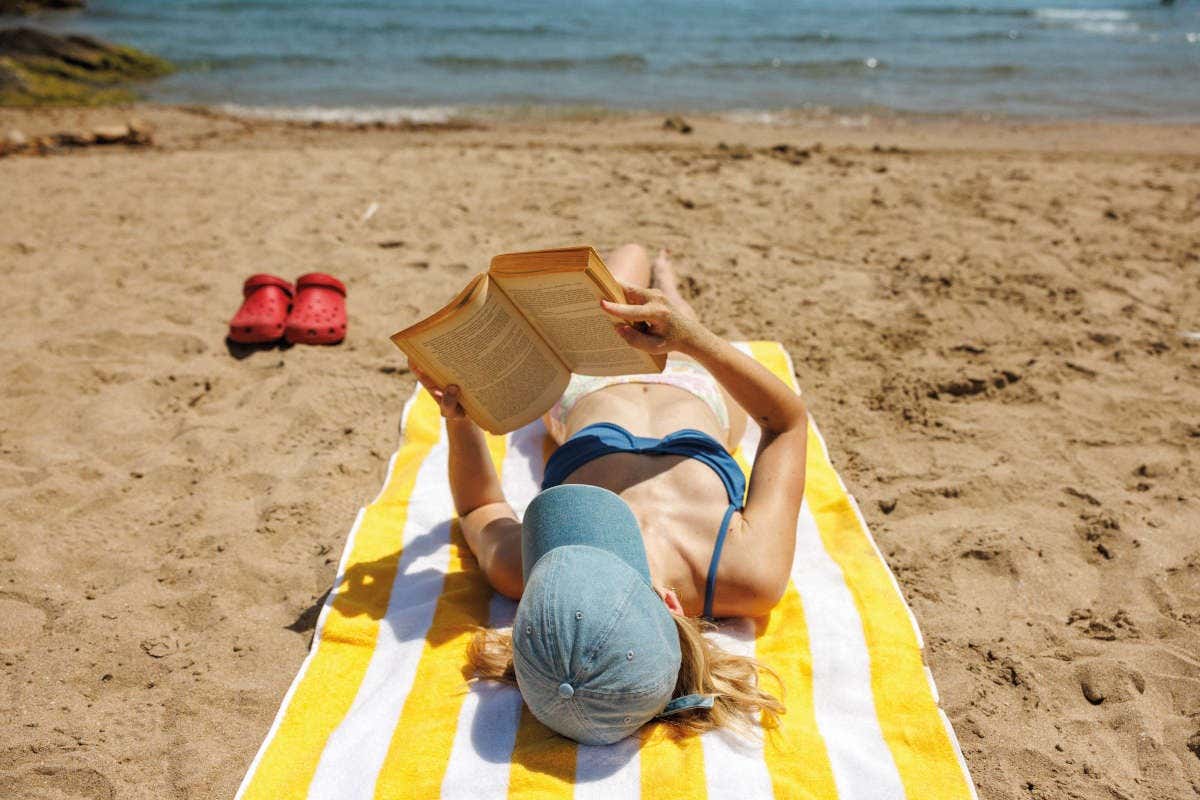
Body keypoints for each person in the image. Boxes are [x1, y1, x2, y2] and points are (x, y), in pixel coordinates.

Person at [411, 244, 807, 745]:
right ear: (671, 604)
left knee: (614, 272)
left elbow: (478, 507)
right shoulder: (748, 575)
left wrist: (460, 421)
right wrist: (693, 342)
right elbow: (786, 423)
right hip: (695, 389)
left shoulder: (528, 570)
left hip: (584, 386)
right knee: (646, 294)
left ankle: (660, 280)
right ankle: (676, 294)